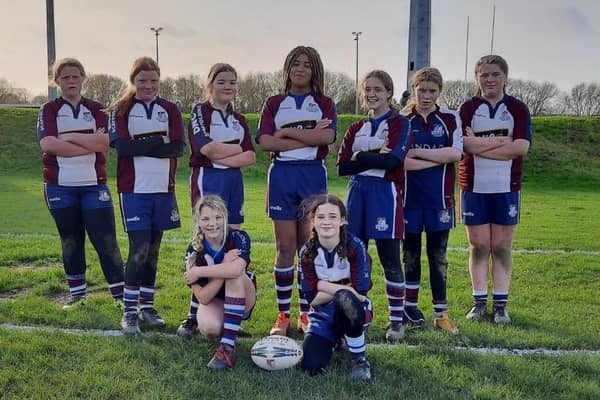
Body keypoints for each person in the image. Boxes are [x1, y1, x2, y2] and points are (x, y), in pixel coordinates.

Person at [256, 46, 337, 336]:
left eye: (307, 65)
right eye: (295, 64)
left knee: (307, 249)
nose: (301, 69)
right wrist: (308, 137)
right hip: (282, 177)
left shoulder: (324, 103)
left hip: (312, 176)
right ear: (287, 69)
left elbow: (326, 137)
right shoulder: (274, 102)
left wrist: (286, 133)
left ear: (315, 70)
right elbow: (265, 142)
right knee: (285, 248)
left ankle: (306, 313)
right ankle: (282, 314)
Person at [37, 58, 124, 309]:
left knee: (106, 241)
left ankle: (121, 298)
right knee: (71, 240)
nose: (71, 81)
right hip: (59, 187)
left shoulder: (98, 110)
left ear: (84, 78)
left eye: (76, 76)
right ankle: (78, 297)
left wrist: (69, 139)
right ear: (57, 81)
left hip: (93, 186)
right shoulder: (49, 110)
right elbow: (48, 145)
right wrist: (88, 144)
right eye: (65, 77)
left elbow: (105, 144)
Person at [108, 56, 185, 334]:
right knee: (138, 249)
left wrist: (141, 144)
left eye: (153, 80)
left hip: (163, 190)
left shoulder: (170, 109)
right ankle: (129, 312)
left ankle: (148, 307)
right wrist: (157, 140)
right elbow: (122, 148)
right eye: (142, 80)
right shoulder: (121, 109)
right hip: (134, 190)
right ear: (133, 81)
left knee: (153, 251)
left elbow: (177, 148)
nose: (148, 85)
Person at [178, 63, 255, 335]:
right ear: (210, 84)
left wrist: (222, 153)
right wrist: (233, 150)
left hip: (233, 182)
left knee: (231, 241)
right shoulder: (200, 111)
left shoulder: (240, 119)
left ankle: (230, 307)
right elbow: (207, 149)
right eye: (222, 81)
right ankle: (192, 314)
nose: (228, 86)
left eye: (232, 82)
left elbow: (251, 156)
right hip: (207, 179)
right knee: (203, 240)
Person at [337, 70, 411, 341]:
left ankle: (396, 322)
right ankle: (358, 317)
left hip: (384, 194)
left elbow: (393, 161)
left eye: (378, 89)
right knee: (355, 257)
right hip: (356, 193)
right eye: (367, 89)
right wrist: (370, 155)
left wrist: (360, 155)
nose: (371, 94)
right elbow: (343, 166)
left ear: (389, 93)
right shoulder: (356, 127)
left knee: (389, 259)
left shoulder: (399, 124)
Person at [459, 55, 531, 324]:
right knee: (478, 245)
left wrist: (480, 144)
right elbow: (465, 147)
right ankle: (478, 302)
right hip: (473, 188)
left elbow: (521, 148)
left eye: (495, 74)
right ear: (477, 78)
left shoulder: (518, 109)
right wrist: (502, 142)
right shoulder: (467, 108)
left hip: (506, 188)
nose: (490, 79)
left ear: (505, 77)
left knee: (501, 246)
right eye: (484, 74)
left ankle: (500, 304)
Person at [402, 67, 463, 334]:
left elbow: (455, 154)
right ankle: (410, 309)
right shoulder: (402, 119)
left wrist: (418, 153)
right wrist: (435, 159)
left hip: (440, 200)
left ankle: (441, 314)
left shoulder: (451, 118)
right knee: (410, 256)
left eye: (432, 91)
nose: (426, 95)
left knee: (438, 257)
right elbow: (400, 160)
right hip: (409, 200)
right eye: (421, 90)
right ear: (414, 90)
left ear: (440, 92)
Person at [299, 194, 372, 381]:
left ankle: (359, 359)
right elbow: (312, 299)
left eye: (332, 216)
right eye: (321, 217)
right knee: (310, 366)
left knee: (345, 300)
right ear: (313, 221)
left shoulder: (355, 246)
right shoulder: (307, 251)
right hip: (322, 313)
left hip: (354, 309)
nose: (326, 222)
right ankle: (336, 340)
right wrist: (342, 287)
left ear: (342, 220)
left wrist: (322, 285)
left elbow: (361, 295)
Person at [181, 195, 256, 369]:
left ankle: (228, 346)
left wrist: (200, 271)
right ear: (198, 222)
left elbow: (237, 270)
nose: (212, 223)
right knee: (209, 328)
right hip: (214, 299)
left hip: (243, 294)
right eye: (206, 219)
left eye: (218, 217)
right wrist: (223, 265)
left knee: (234, 275)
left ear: (225, 218)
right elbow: (203, 298)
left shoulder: (239, 237)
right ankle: (230, 325)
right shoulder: (193, 250)